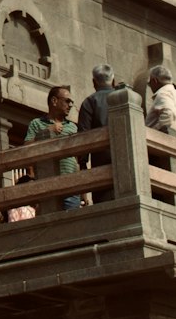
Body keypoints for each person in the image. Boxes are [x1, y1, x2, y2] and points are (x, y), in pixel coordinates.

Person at [25, 86, 81, 210]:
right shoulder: (36, 123)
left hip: (71, 185)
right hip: (47, 185)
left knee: (73, 226)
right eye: (67, 101)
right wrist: (47, 131)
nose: (70, 105)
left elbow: (76, 158)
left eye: (72, 102)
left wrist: (83, 193)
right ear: (54, 101)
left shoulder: (72, 127)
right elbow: (26, 150)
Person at [77, 64, 116, 201]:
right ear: (113, 80)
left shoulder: (89, 102)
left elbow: (83, 135)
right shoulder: (125, 97)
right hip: (128, 160)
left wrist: (82, 163)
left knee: (104, 203)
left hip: (101, 161)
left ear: (94, 82)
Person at [145, 64, 176, 138]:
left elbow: (169, 113)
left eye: (150, 84)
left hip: (171, 143)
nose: (151, 87)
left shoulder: (163, 93)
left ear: (154, 81)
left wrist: (153, 132)